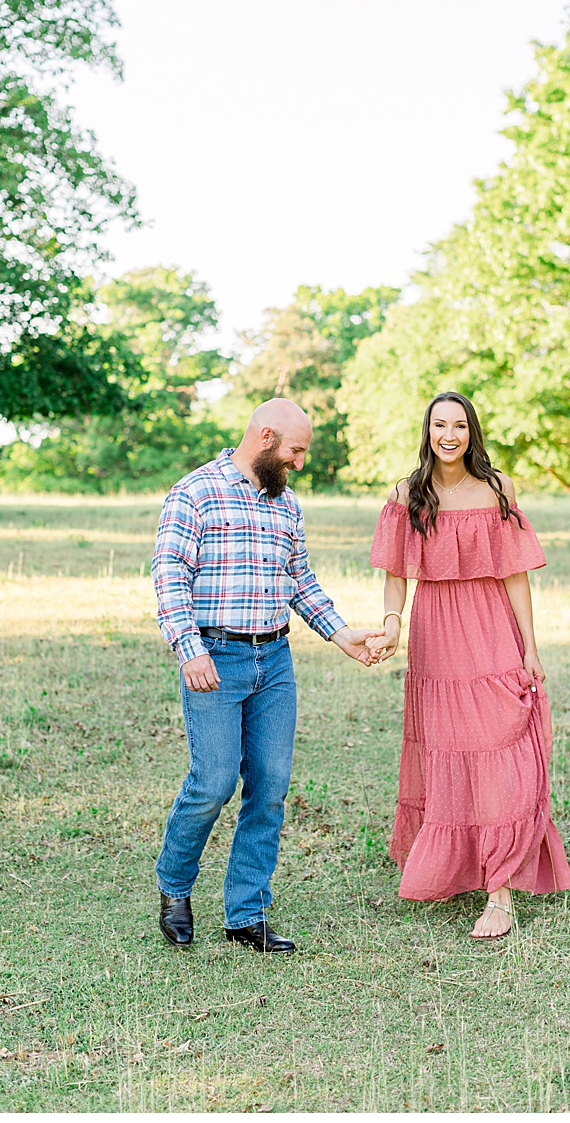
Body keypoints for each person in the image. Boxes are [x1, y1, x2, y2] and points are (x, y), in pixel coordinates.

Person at [152, 399, 385, 953]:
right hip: (214, 657)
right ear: (264, 438)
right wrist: (190, 651)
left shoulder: (287, 505)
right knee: (213, 783)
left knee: (270, 789)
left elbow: (300, 579)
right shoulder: (194, 493)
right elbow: (169, 576)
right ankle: (174, 885)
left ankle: (245, 913)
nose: (300, 463)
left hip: (274, 661)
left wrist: (340, 633)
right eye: (295, 451)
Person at [366, 392, 570, 938]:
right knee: (451, 751)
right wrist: (392, 621)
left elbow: (516, 573)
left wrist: (530, 646)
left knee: (501, 742)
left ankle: (501, 891)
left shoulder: (497, 489)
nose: (449, 435)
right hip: (436, 635)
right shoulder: (407, 495)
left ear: (472, 430)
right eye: (440, 424)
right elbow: (395, 572)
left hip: (492, 626)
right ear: (427, 430)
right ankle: (459, 866)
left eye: (459, 425)